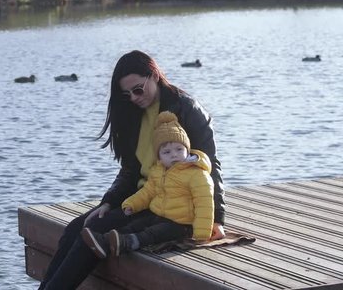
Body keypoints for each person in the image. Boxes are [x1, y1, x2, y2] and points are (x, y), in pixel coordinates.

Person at [38, 50, 226, 290]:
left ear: (155, 75)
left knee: (93, 232)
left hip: (172, 204)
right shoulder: (132, 113)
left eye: (138, 89)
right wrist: (108, 202)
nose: (134, 98)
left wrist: (218, 219)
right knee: (78, 226)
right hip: (144, 196)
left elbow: (211, 165)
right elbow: (130, 170)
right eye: (127, 94)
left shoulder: (186, 109)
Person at [80, 111, 214, 259]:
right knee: (135, 225)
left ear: (187, 150)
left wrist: (202, 233)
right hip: (160, 214)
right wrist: (131, 204)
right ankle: (105, 243)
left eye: (179, 149)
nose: (174, 155)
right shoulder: (159, 171)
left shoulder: (196, 173)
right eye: (167, 152)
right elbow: (147, 192)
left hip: (182, 224)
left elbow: (205, 203)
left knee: (153, 233)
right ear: (159, 156)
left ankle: (129, 243)